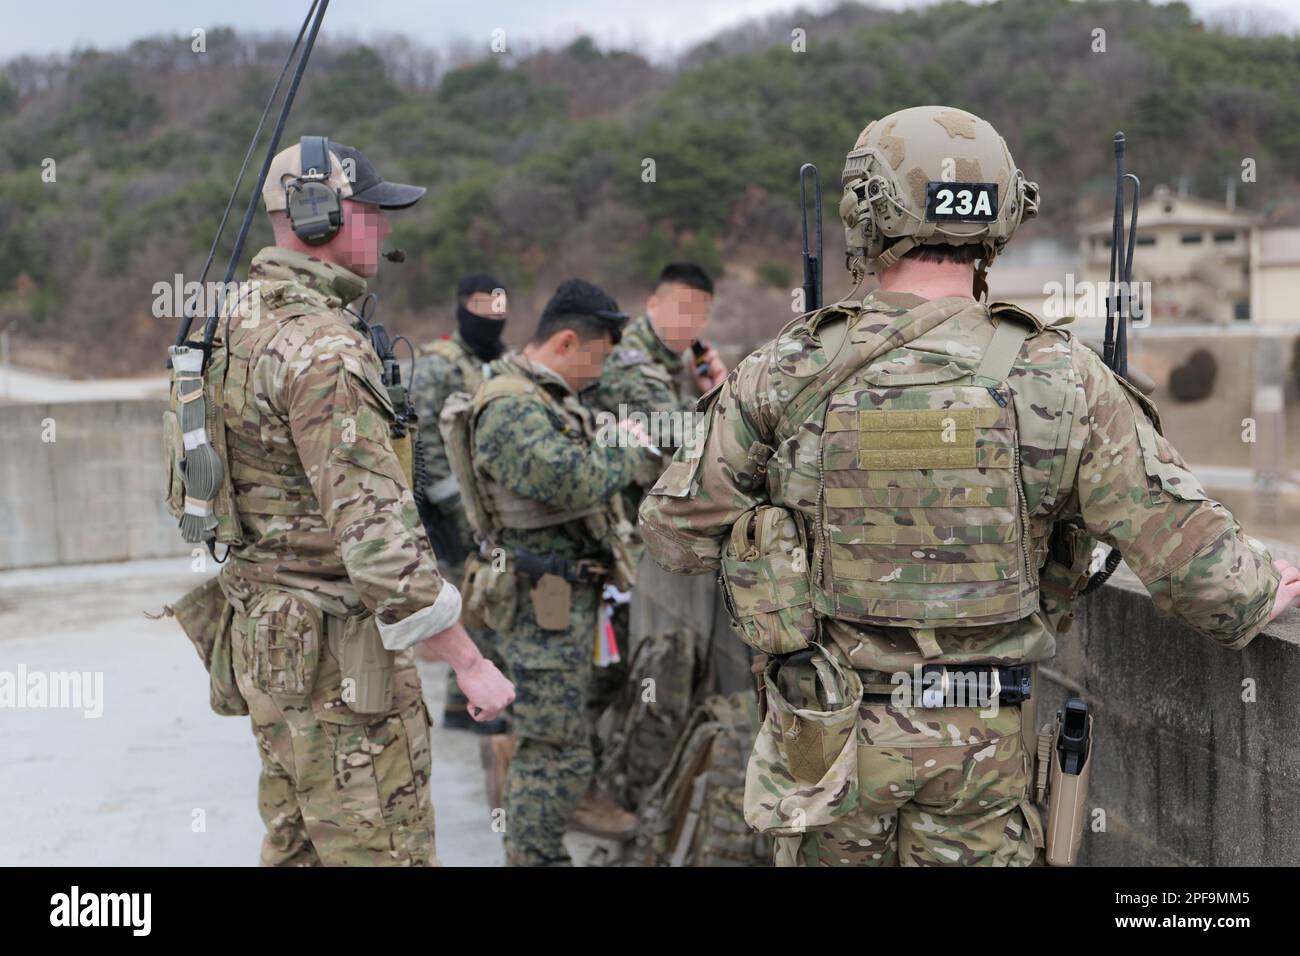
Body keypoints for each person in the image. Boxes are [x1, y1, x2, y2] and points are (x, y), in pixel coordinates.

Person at [637, 106, 1300, 867]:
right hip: (986, 748)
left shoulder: (786, 370)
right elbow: (1199, 568)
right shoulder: (1060, 375)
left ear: (864, 210)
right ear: (1006, 212)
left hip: (827, 743)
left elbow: (674, 536)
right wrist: (1260, 590)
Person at [211, 137, 513, 865]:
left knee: (299, 846)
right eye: (372, 211)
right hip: (342, 661)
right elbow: (380, 546)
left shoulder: (237, 322)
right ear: (321, 215)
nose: (383, 227)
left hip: (269, 643)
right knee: (385, 850)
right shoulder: (324, 350)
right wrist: (470, 663)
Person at [455, 279, 652, 864]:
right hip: (545, 596)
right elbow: (568, 479)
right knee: (554, 748)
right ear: (568, 341)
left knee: (565, 732)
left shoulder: (543, 396)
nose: (601, 373)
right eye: (600, 356)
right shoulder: (512, 403)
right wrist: (625, 447)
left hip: (566, 594)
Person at [581, 263, 727, 748]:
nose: (689, 324)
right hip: (615, 533)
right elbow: (674, 433)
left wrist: (710, 389)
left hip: (643, 530)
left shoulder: (674, 362)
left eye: (700, 313)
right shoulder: (630, 364)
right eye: (680, 309)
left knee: (641, 657)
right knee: (622, 659)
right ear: (652, 305)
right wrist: (728, 402)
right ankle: (592, 769)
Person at [410, 273, 512, 733]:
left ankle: (468, 704)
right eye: (481, 305)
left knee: (488, 604)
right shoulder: (437, 364)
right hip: (451, 511)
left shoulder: (504, 363)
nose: (491, 315)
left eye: (498, 306)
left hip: (495, 509)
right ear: (460, 306)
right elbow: (424, 439)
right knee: (468, 605)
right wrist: (452, 507)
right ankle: (468, 706)